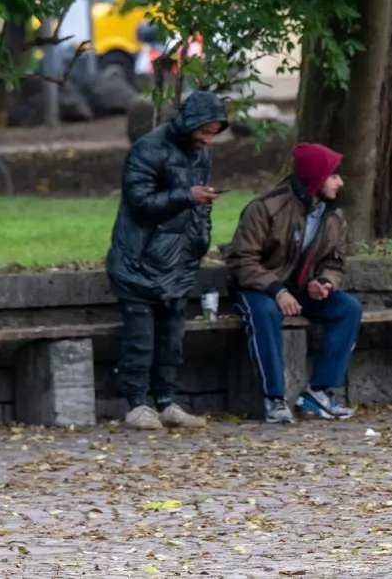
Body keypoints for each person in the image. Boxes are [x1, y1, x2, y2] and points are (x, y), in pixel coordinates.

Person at [106, 90, 229, 430]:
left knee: (171, 338)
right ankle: (135, 404)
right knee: (141, 337)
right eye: (204, 131)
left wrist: (200, 237)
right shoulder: (148, 149)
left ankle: (166, 401)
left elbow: (201, 203)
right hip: (139, 258)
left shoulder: (200, 156)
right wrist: (186, 196)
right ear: (190, 124)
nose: (207, 139)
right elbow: (140, 200)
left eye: (213, 133)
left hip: (178, 260)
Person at [225, 143, 363, 424]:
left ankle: (319, 392)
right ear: (316, 177)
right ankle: (274, 399)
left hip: (301, 290)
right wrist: (277, 290)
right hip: (259, 288)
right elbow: (242, 260)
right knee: (265, 313)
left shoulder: (333, 215)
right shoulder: (266, 208)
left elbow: (334, 261)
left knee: (348, 309)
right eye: (334, 175)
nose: (340, 182)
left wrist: (324, 281)